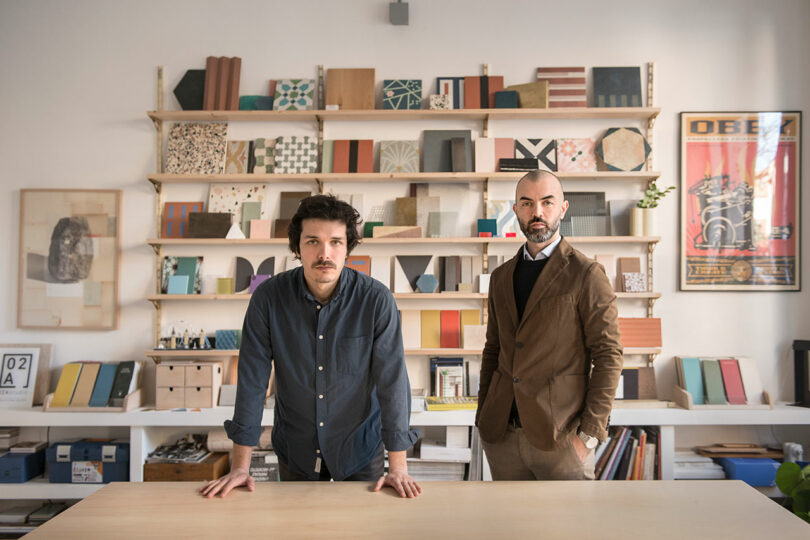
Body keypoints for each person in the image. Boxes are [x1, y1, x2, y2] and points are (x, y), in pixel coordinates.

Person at [201, 194, 422, 498]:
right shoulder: (268, 299)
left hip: (359, 448)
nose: (325, 253)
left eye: (335, 242)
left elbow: (392, 381)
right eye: (313, 241)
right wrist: (241, 466)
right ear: (297, 247)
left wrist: (398, 467)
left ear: (348, 247)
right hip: (297, 449)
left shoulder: (376, 301)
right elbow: (252, 380)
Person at [476, 170, 623, 480]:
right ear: (515, 210)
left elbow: (608, 355)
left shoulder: (587, 274)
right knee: (509, 528)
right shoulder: (501, 278)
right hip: (501, 438)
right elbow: (493, 350)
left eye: (547, 202)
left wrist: (588, 436)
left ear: (563, 208)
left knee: (566, 530)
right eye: (527, 203)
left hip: (562, 440)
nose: (537, 212)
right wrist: (483, 418)